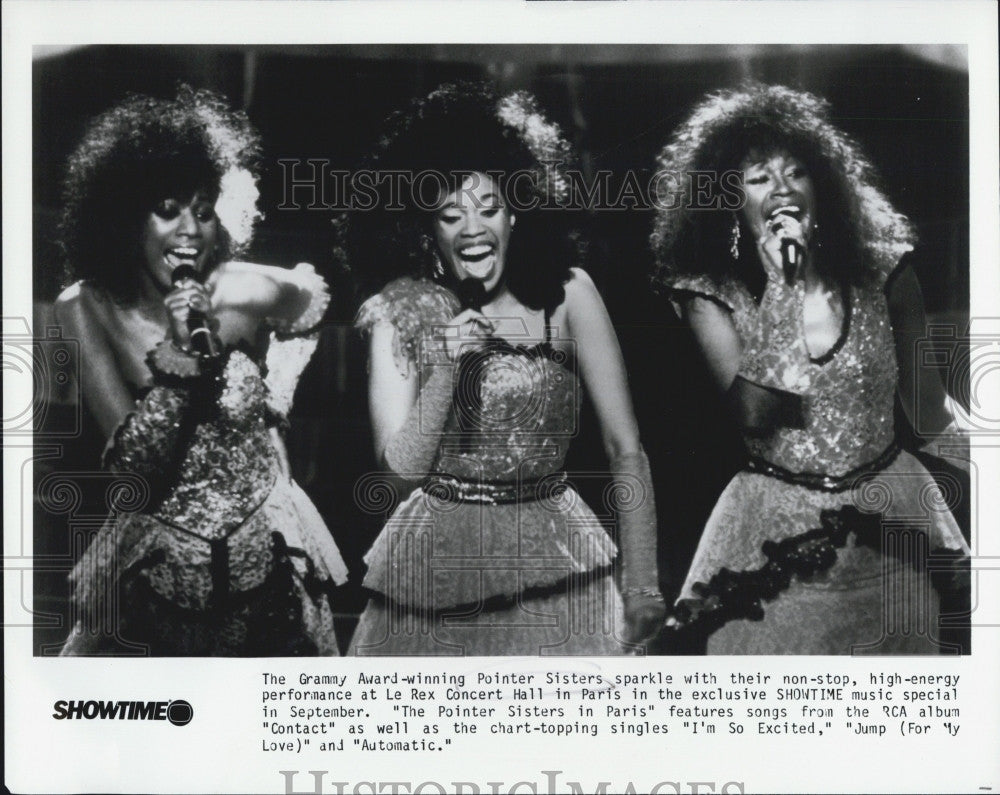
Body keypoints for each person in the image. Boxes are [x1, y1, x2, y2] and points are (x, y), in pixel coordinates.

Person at [341, 82, 664, 655]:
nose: (473, 229)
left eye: (488, 208)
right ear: (425, 230)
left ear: (516, 213)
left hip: (559, 566)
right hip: (432, 572)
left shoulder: (570, 295)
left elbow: (625, 447)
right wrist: (444, 370)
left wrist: (642, 587)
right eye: (450, 215)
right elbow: (393, 483)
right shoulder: (398, 314)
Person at [650, 83, 970, 655]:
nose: (781, 190)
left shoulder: (886, 275)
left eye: (796, 172)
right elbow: (754, 414)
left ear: (823, 187)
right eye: (757, 178)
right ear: (728, 201)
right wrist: (783, 287)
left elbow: (930, 410)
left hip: (893, 522)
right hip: (774, 536)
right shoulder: (709, 296)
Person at [56, 87, 347, 656]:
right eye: (169, 210)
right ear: (125, 217)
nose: (191, 229)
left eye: (204, 210)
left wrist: (275, 401)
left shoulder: (235, 290)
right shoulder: (84, 306)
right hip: (158, 570)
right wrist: (183, 355)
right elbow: (135, 469)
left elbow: (313, 297)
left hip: (266, 562)